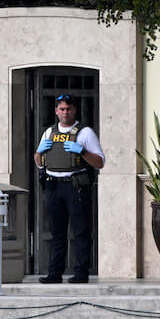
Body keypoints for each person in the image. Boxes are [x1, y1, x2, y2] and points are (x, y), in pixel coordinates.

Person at [33, 94, 105, 283]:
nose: (65, 112)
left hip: (75, 186)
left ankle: (81, 273)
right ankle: (54, 274)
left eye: (69, 109)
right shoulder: (49, 132)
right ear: (56, 111)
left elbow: (99, 162)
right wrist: (39, 152)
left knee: (80, 231)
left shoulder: (85, 133)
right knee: (57, 232)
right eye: (62, 109)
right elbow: (40, 163)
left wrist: (81, 150)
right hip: (53, 185)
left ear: (75, 110)